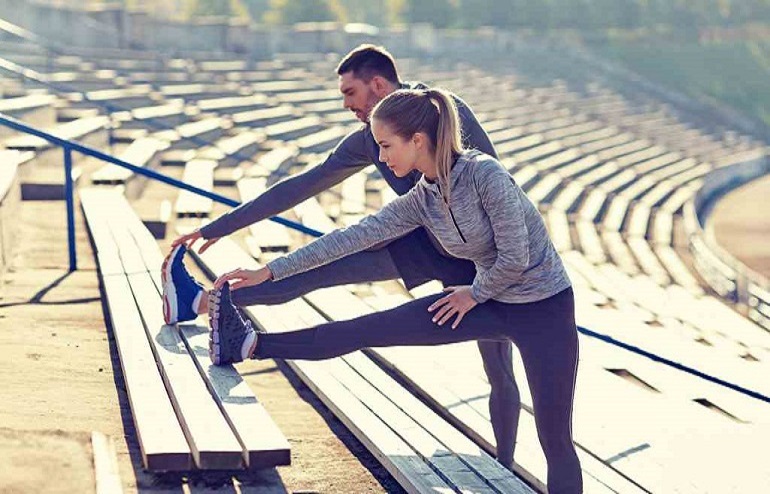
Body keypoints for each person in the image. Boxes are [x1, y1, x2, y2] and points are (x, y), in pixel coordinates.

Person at [201, 88, 582, 493]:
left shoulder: (484, 175)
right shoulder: (424, 198)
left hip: (544, 311)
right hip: (487, 301)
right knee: (367, 328)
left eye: (386, 146)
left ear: (417, 141)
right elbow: (352, 237)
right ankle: (249, 345)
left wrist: (472, 293)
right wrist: (270, 271)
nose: (381, 158)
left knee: (554, 439)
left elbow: (516, 257)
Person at [162, 44, 522, 469]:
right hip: (421, 243)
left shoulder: (445, 111)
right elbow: (301, 186)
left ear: (378, 84)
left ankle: (505, 467)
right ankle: (199, 302)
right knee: (316, 270)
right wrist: (217, 228)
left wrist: (486, 281)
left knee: (499, 365)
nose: (347, 104)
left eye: (350, 93)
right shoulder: (369, 140)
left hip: (481, 259)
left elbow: (498, 192)